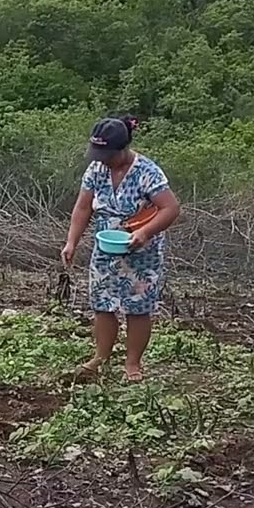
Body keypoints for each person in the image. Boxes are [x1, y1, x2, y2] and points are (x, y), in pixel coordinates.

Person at [61, 117, 180, 382]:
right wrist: (72, 241)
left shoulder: (147, 172)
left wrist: (144, 232)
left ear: (123, 148)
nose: (104, 160)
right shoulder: (96, 169)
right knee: (102, 304)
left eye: (109, 155)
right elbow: (83, 207)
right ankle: (101, 357)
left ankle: (133, 363)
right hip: (106, 248)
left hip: (141, 252)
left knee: (137, 308)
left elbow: (171, 208)